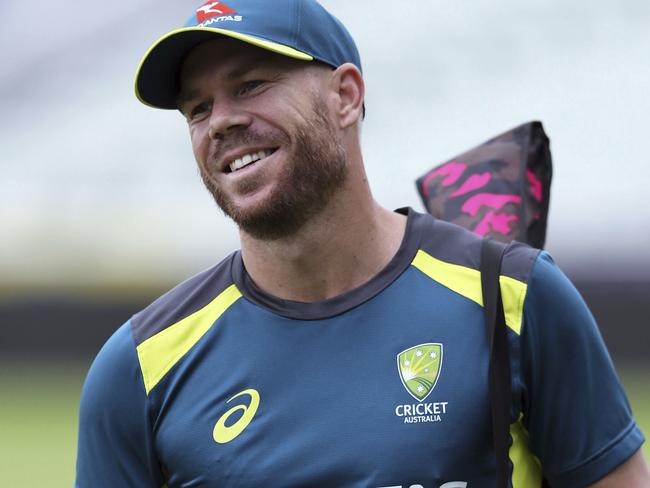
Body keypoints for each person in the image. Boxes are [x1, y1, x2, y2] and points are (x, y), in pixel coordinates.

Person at [75, 1, 649, 486]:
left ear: (346, 96)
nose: (220, 121)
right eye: (198, 109)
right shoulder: (139, 370)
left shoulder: (515, 297)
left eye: (250, 85)